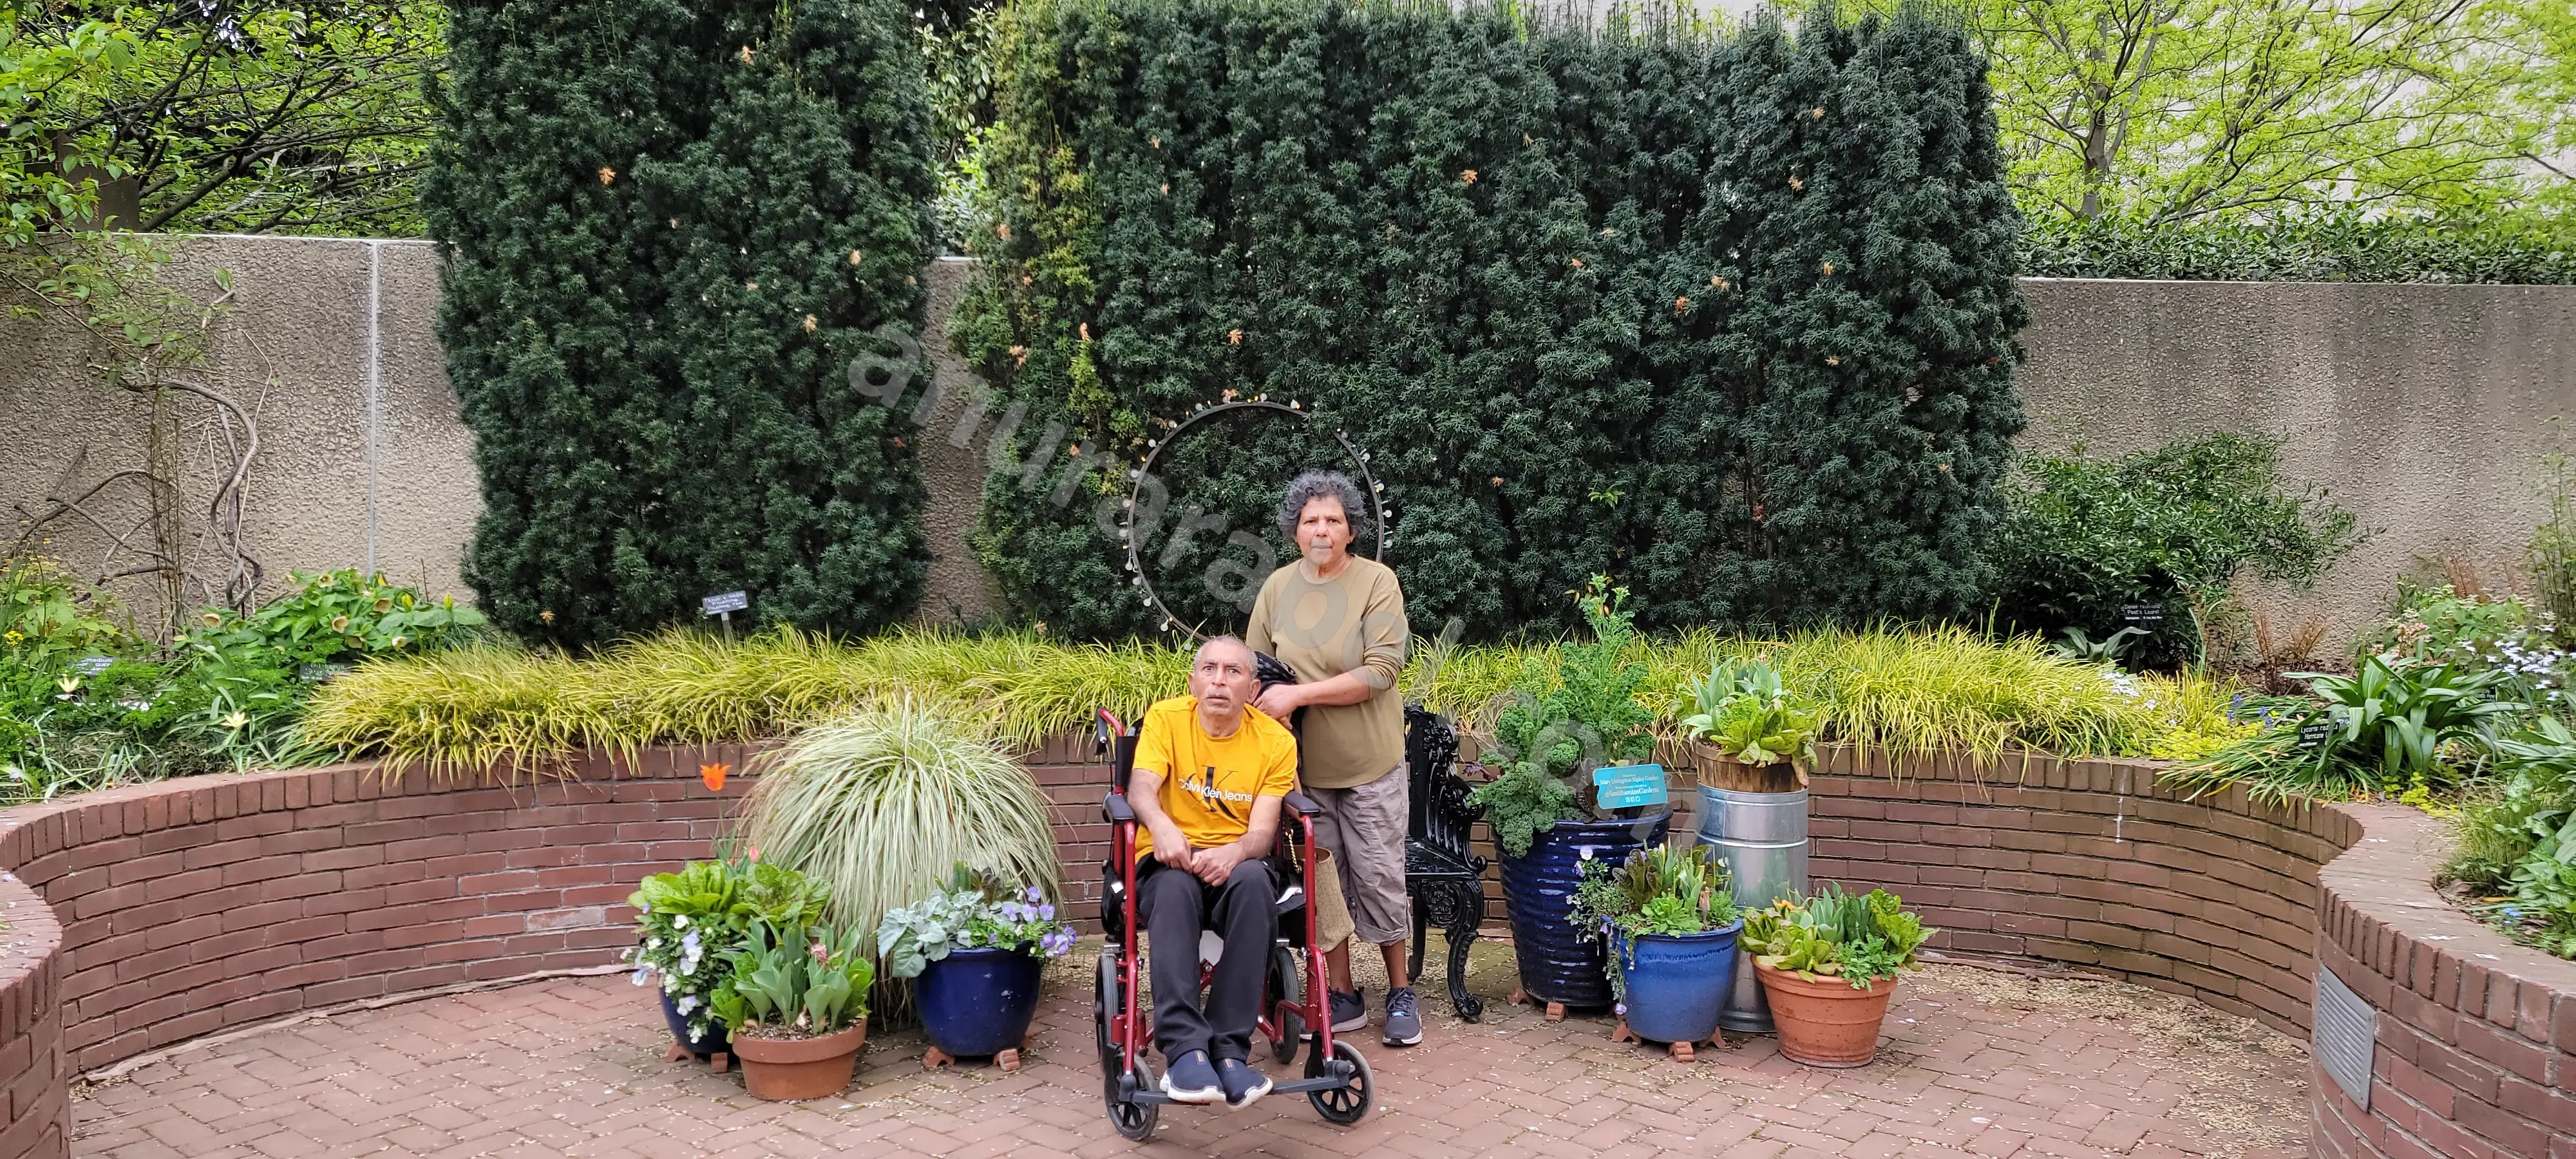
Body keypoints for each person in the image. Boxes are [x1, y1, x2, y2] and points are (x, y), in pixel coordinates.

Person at [1245, 469, 1420, 1047]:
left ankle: (1399, 991)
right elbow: (1254, 673)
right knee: (1326, 887)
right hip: (1304, 773)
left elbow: (1381, 671)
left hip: (1370, 764)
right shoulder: (1276, 590)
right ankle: (1342, 992)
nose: (1322, 529)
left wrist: (1298, 694)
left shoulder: (1377, 583)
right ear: (1295, 532)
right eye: (1310, 521)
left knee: (1379, 879)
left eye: (1333, 520)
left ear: (1351, 530)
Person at [1126, 635, 1300, 1108]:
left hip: (1233, 863)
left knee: (1253, 883)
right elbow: (1141, 788)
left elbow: (1262, 834)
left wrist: (1234, 852)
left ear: (1253, 686)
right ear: (1194, 680)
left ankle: (1228, 1053)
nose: (1219, 681)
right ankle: (1184, 1052)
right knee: (1176, 887)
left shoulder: (1275, 742)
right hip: (1168, 860)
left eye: (1233, 672)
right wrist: (1161, 826)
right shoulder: (1166, 718)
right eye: (1210, 670)